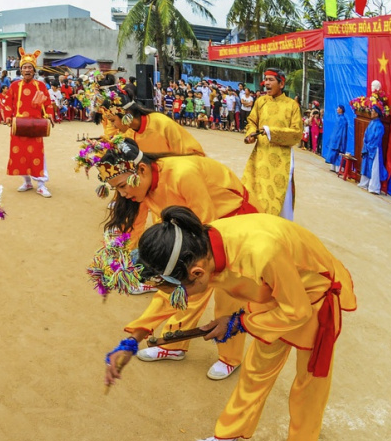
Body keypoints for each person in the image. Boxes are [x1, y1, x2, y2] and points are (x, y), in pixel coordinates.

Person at [119, 206, 355, 441]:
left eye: (179, 291)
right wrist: (136, 334)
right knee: (256, 371)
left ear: (196, 273)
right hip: (275, 296)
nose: (179, 298)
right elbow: (170, 294)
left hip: (314, 298)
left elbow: (297, 310)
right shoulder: (198, 246)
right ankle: (227, 436)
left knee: (310, 380)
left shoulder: (261, 253)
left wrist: (239, 322)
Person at [84, 138, 260, 380]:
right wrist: (121, 259)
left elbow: (205, 235)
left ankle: (230, 357)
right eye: (117, 189)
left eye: (123, 186)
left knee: (223, 294)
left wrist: (136, 334)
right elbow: (133, 229)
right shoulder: (141, 189)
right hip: (201, 229)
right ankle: (174, 345)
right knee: (175, 279)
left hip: (233, 225)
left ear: (142, 170)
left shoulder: (183, 175)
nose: (123, 194)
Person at [242, 69, 303, 218]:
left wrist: (270, 132)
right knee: (255, 187)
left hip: (281, 159)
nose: (266, 83)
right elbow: (252, 121)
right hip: (261, 154)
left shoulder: (292, 106)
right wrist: (251, 133)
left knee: (281, 194)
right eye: (266, 80)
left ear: (281, 83)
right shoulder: (261, 101)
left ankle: (278, 227)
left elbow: (296, 134)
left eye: (271, 80)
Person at [0, 48, 55, 197]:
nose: (27, 70)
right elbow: (8, 102)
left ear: (34, 70)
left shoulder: (41, 86)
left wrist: (49, 115)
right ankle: (27, 181)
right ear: (21, 70)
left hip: (36, 125)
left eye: (30, 67)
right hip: (19, 125)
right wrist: (9, 117)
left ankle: (42, 185)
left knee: (37, 154)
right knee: (21, 154)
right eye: (25, 67)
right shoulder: (14, 86)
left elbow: (48, 103)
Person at [358, 101, 388, 195]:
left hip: (374, 149)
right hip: (368, 147)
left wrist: (370, 146)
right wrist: (366, 144)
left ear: (377, 113)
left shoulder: (380, 126)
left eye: (373, 111)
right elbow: (366, 134)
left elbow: (377, 138)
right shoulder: (371, 123)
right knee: (366, 165)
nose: (371, 112)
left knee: (374, 168)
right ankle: (364, 183)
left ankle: (374, 187)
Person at [325, 105, 349, 172]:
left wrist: (340, 139)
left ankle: (338, 168)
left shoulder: (343, 120)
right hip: (335, 138)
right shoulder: (338, 118)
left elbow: (343, 132)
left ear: (341, 110)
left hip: (339, 138)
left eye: (338, 108)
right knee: (333, 151)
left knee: (338, 152)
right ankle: (333, 166)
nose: (337, 109)